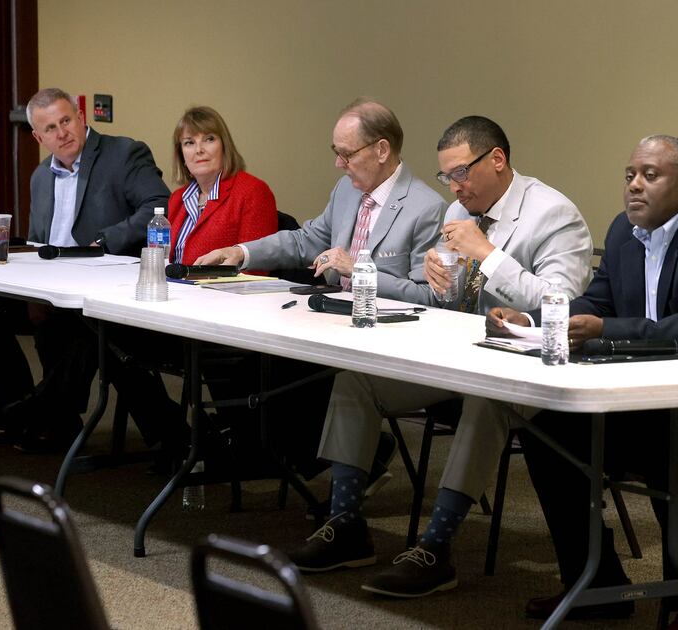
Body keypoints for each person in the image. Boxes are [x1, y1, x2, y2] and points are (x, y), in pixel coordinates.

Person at [286, 116, 593, 599]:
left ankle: (435, 548)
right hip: (457, 356)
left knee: (487, 398)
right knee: (356, 381)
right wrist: (436, 273)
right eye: (446, 176)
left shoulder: (553, 214)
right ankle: (345, 525)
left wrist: (487, 253)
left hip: (522, 367)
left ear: (497, 159)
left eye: (461, 173)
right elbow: (447, 301)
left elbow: (562, 302)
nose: (454, 187)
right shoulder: (458, 211)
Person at [489, 135, 678, 628]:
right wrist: (533, 319)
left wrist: (605, 330)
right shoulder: (624, 230)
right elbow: (598, 301)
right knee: (548, 432)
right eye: (629, 175)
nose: (634, 185)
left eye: (650, 175)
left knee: (669, 440)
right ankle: (597, 586)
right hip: (646, 396)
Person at [0, 87, 171, 451]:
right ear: (38, 137)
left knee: (76, 329)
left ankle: (39, 414)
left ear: (81, 118)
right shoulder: (40, 177)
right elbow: (37, 242)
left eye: (66, 121)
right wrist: (31, 292)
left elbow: (158, 205)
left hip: (103, 290)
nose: (62, 132)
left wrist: (104, 240)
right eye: (50, 128)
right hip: (52, 288)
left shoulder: (123, 153)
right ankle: (24, 413)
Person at [194, 98, 446, 305]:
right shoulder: (346, 190)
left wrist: (358, 270)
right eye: (336, 152)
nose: (338, 163)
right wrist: (240, 252)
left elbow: (428, 296)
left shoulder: (427, 208)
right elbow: (305, 241)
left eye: (346, 154)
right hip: (330, 318)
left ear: (381, 150)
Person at [168, 106, 277, 266]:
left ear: (225, 147)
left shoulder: (252, 192)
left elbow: (255, 269)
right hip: (174, 282)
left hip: (222, 284)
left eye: (209, 139)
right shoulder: (177, 198)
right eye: (189, 142)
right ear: (181, 155)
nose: (199, 150)